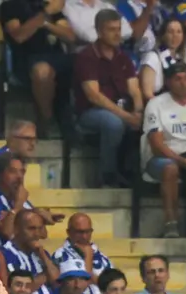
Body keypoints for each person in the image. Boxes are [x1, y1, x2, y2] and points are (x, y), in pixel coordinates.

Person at [73, 9, 143, 188]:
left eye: (119, 29)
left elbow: (134, 89)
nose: (117, 34)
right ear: (98, 31)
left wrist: (138, 111)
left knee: (149, 120)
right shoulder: (87, 57)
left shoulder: (123, 58)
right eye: (111, 29)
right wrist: (127, 117)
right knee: (113, 123)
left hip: (123, 109)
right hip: (91, 112)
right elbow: (94, 96)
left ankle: (134, 175)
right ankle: (107, 176)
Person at [141, 62, 186, 237]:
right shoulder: (156, 104)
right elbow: (157, 145)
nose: (183, 83)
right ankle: (171, 224)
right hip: (165, 159)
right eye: (178, 79)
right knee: (170, 168)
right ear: (169, 82)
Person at [0, 0, 75, 136]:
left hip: (56, 56)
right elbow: (19, 36)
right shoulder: (10, 6)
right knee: (42, 71)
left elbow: (70, 36)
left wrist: (45, 23)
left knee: (88, 64)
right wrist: (45, 15)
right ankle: (46, 120)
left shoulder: (48, 6)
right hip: (26, 58)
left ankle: (81, 121)